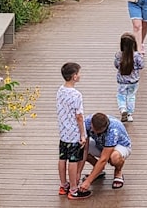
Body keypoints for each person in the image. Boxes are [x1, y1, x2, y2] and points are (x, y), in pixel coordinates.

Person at [74, 112, 132, 193]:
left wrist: (88, 182)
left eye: (99, 132)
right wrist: (78, 173)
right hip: (100, 144)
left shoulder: (113, 130)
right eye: (94, 131)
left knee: (114, 157)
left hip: (120, 146)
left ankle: (118, 172)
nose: (96, 133)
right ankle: (98, 170)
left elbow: (104, 159)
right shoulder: (86, 123)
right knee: (79, 147)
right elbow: (85, 149)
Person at [56, 62, 88, 199]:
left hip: (63, 132)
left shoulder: (60, 90)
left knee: (62, 158)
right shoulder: (76, 95)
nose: (80, 76)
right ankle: (74, 189)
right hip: (74, 133)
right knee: (73, 160)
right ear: (74, 76)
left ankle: (63, 185)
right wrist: (83, 134)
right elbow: (79, 116)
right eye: (78, 73)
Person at [115, 32, 145, 123]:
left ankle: (123, 109)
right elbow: (141, 65)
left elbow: (116, 65)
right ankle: (130, 114)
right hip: (133, 81)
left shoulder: (119, 55)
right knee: (131, 96)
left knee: (121, 96)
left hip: (122, 82)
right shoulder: (136, 56)